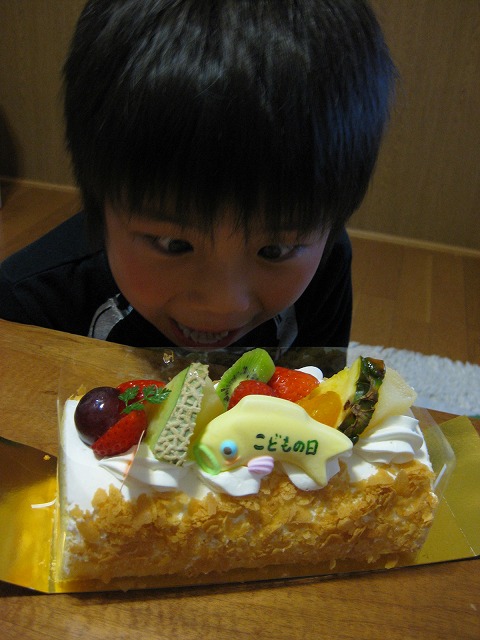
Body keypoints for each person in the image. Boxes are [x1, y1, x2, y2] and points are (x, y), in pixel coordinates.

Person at [0, 0, 396, 353]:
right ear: (100, 203)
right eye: (174, 244)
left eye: (274, 250)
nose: (224, 304)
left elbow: (324, 397)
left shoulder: (326, 261)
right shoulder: (28, 307)